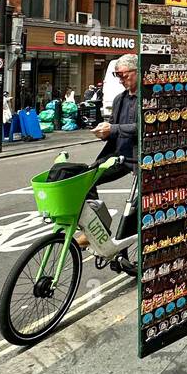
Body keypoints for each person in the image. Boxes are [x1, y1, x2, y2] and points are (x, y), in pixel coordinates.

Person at [79, 53, 140, 271]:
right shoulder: (119, 99)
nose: (121, 79)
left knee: (134, 207)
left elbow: (142, 127)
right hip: (119, 157)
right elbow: (114, 127)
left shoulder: (148, 97)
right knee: (85, 179)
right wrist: (105, 133)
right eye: (117, 75)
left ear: (137, 72)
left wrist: (112, 129)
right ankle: (98, 230)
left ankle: (123, 252)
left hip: (139, 159)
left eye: (123, 75)